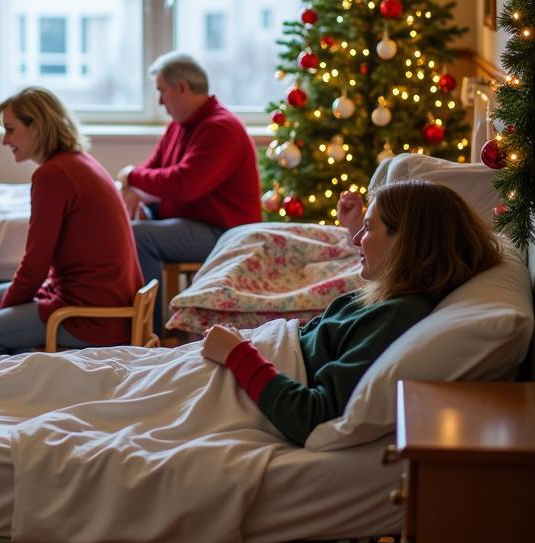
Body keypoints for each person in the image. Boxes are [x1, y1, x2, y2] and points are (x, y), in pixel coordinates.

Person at [201, 180, 502, 446]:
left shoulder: (398, 315)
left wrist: (238, 354)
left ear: (406, 242)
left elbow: (312, 416)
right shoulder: (393, 296)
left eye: (369, 227)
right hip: (255, 357)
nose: (356, 238)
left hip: (249, 375)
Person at [0, 87, 143, 356]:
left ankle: (12, 391)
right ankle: (25, 374)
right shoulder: (79, 160)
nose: (4, 140)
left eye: (10, 129)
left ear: (37, 126)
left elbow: (34, 266)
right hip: (103, 299)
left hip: (90, 314)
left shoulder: (52, 176)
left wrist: (8, 311)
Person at [117, 51, 261, 292]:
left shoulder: (221, 128)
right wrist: (134, 191)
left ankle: (147, 327)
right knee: (128, 223)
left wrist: (130, 176)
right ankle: (140, 319)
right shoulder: (179, 125)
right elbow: (152, 170)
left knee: (139, 236)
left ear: (182, 87)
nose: (160, 101)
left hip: (226, 232)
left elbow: (183, 186)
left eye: (162, 91)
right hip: (194, 221)